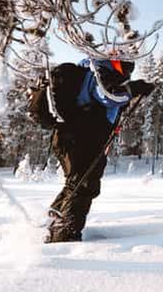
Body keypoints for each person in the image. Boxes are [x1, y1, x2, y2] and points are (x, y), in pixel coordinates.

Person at [28, 58, 154, 243]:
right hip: (78, 138)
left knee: (77, 183)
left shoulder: (98, 73)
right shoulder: (100, 71)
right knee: (84, 184)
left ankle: (52, 222)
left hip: (78, 138)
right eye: (127, 66)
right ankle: (66, 235)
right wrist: (134, 89)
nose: (128, 71)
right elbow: (109, 96)